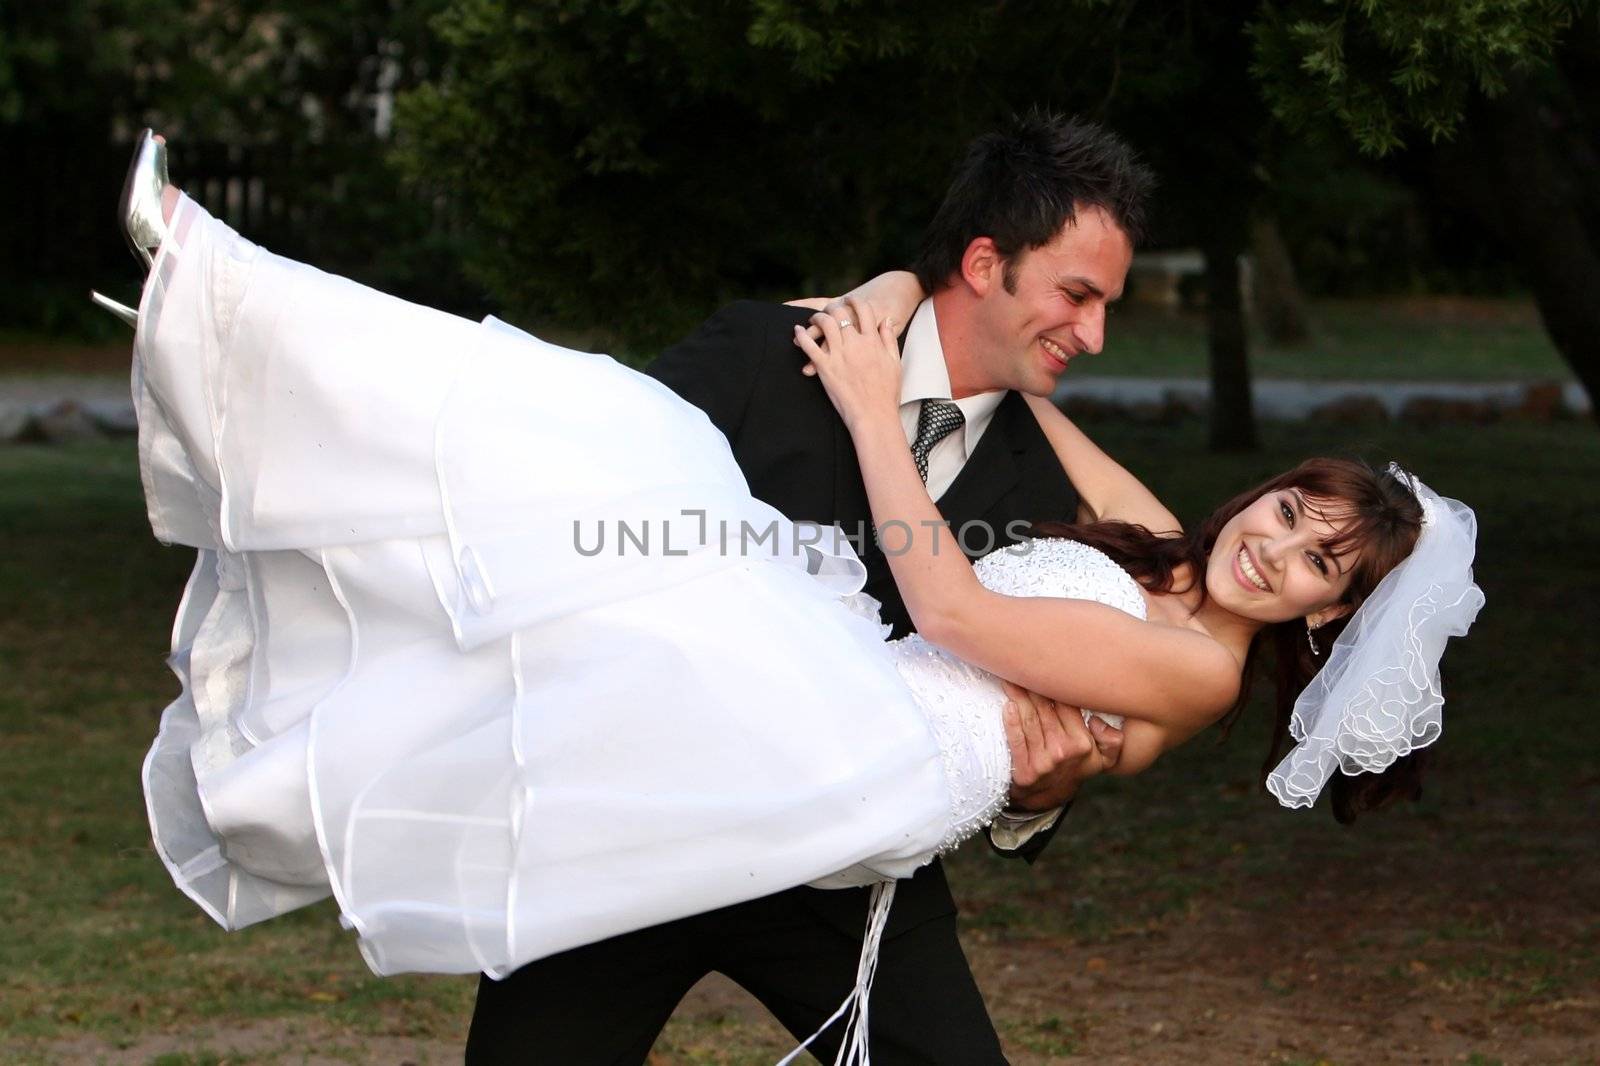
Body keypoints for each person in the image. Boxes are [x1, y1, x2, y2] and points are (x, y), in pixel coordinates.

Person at [111, 123, 1482, 1064]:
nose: (1098, 333)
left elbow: (1055, 690)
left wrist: (1039, 799)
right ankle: (235, 311)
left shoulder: (1070, 492)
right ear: (986, 264)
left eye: (1111, 306)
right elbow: (570, 533)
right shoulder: (771, 354)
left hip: (849, 845)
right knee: (555, 419)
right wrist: (880, 302)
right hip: (642, 814)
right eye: (1077, 293)